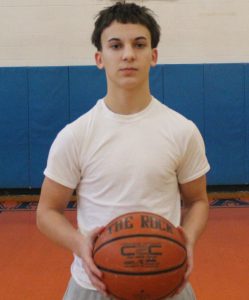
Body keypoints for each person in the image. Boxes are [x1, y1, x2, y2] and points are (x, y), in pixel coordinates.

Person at [36, 2, 210, 300]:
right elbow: (46, 212)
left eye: (139, 44)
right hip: (94, 284)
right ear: (99, 58)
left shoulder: (182, 130)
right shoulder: (76, 135)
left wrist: (187, 241)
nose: (128, 54)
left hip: (166, 282)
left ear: (153, 56)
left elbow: (198, 201)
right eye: (115, 45)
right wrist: (80, 244)